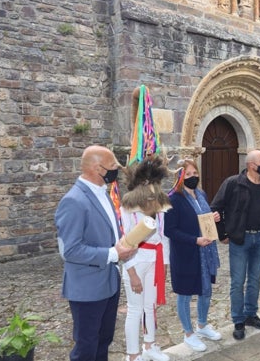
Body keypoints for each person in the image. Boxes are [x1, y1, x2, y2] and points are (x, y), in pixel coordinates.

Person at [55, 145, 137, 361]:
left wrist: (126, 244)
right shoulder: (73, 201)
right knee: (86, 348)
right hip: (87, 289)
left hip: (109, 283)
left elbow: (109, 233)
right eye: (112, 166)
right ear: (96, 168)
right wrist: (113, 253)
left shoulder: (104, 193)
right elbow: (70, 250)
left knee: (104, 341)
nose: (115, 171)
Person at [210, 149, 260, 340]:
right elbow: (216, 208)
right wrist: (222, 233)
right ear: (251, 165)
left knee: (255, 279)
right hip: (240, 240)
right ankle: (238, 320)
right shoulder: (233, 183)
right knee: (238, 282)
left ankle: (251, 314)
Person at [164, 159, 222, 352]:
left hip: (206, 253)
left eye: (194, 173)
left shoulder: (201, 194)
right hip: (186, 254)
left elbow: (204, 220)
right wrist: (194, 240)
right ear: (179, 177)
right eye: (187, 174)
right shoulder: (173, 198)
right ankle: (188, 334)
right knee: (185, 294)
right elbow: (170, 230)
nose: (192, 177)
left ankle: (202, 325)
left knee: (206, 290)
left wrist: (214, 218)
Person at [120, 155, 172, 361]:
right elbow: (124, 242)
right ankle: (133, 356)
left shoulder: (159, 207)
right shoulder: (127, 208)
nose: (149, 187)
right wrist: (131, 273)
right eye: (145, 182)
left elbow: (164, 237)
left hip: (155, 261)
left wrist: (165, 264)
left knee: (150, 305)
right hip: (136, 260)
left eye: (153, 182)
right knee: (135, 309)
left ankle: (149, 345)